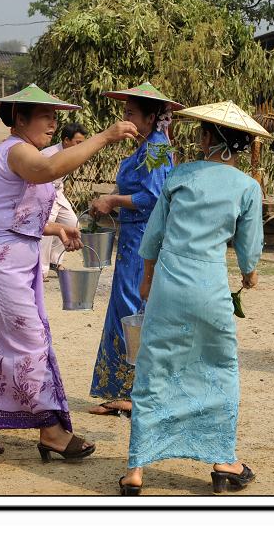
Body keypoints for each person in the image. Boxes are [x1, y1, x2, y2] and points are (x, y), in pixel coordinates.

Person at [0, 84, 138, 461]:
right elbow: (48, 169)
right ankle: (51, 431)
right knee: (29, 340)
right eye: (45, 116)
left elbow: (14, 209)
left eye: (56, 116)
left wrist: (55, 228)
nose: (53, 123)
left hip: (7, 254)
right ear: (20, 118)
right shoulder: (18, 151)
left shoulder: (24, 152)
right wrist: (105, 136)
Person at [119, 100, 266, 496]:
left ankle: (136, 469)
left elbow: (153, 237)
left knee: (154, 366)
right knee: (219, 366)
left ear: (205, 139)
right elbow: (249, 248)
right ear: (236, 146)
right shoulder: (248, 186)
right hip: (210, 285)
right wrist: (250, 277)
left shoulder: (180, 176)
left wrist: (147, 281)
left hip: (169, 282)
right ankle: (222, 461)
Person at [87, 82, 182, 417]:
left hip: (143, 239)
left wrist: (112, 200)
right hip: (132, 238)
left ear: (151, 116)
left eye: (130, 113)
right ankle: (122, 387)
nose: (124, 118)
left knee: (132, 306)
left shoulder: (156, 148)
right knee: (126, 303)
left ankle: (131, 390)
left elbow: (153, 198)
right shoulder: (146, 146)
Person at [39, 122, 89, 275]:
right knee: (48, 229)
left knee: (72, 223)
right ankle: (42, 269)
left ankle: (55, 260)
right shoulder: (49, 154)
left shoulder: (72, 153)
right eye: (78, 142)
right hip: (45, 192)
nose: (80, 146)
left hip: (57, 193)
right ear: (66, 140)